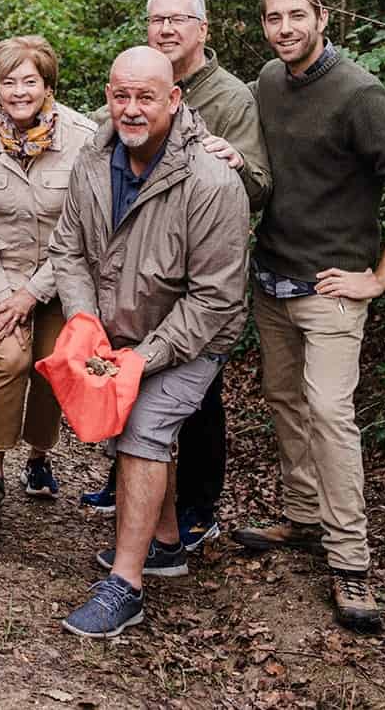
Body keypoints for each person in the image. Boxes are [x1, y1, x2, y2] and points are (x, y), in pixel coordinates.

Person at [230, 0, 385, 632]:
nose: (284, 27)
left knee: (329, 412)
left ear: (322, 17)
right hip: (273, 280)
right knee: (285, 400)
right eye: (272, 18)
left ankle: (351, 561)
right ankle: (300, 515)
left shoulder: (358, 92)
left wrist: (378, 277)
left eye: (296, 15)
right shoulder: (267, 81)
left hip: (333, 291)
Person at [48, 46, 249, 638]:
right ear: (108, 94)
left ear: (174, 99)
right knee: (120, 414)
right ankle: (164, 544)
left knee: (141, 427)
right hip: (116, 329)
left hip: (194, 336)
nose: (130, 109)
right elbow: (68, 249)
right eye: (120, 95)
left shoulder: (212, 182)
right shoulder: (93, 159)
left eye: (145, 97)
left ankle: (126, 585)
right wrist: (86, 326)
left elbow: (214, 299)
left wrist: (139, 359)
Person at [80, 0, 272, 555]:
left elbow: (259, 183)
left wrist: (235, 165)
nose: (166, 29)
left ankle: (194, 509)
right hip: (138, 281)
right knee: (132, 399)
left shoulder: (232, 100)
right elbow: (102, 147)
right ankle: (141, 504)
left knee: (191, 403)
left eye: (179, 20)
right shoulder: (123, 107)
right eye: (157, 19)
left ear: (202, 30)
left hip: (199, 274)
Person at [0, 35, 95, 498]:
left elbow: (81, 228)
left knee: (53, 364)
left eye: (29, 81)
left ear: (48, 84)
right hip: (3, 271)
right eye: (8, 82)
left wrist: (33, 293)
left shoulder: (83, 139)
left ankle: (39, 456)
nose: (18, 91)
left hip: (65, 272)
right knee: (10, 359)